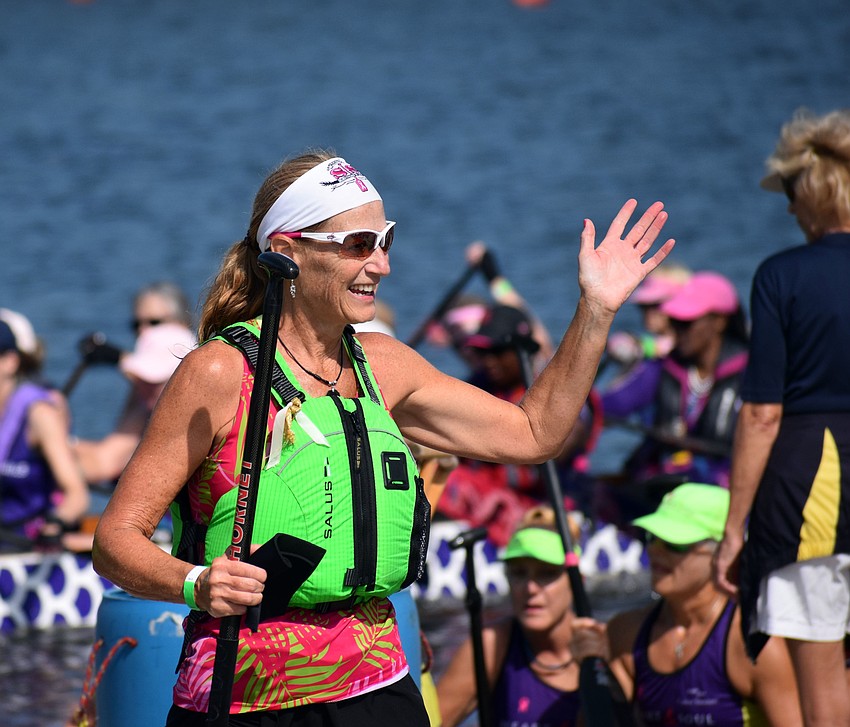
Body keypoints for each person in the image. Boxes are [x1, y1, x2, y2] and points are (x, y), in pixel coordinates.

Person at [91, 150, 673, 725]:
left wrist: (595, 311)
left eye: (384, 241)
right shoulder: (219, 373)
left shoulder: (384, 367)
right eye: (358, 244)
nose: (382, 264)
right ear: (285, 252)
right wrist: (196, 582)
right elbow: (115, 539)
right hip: (244, 697)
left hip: (378, 689)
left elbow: (535, 432)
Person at [713, 108, 850, 727]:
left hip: (812, 486)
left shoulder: (782, 275)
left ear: (817, 191)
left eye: (793, 192)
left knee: (822, 685)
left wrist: (735, 529)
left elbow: (763, 413)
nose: (790, 208)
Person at [571, 483, 802, 727]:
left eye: (675, 543)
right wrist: (592, 672)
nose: (656, 551)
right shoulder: (625, 632)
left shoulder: (753, 643)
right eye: (652, 537)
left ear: (723, 551)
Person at [436, 304, 599, 545]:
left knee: (455, 483)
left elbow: (561, 446)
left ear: (522, 351)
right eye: (483, 353)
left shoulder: (556, 390)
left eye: (498, 351)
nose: (488, 361)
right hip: (493, 495)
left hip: (545, 501)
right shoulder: (480, 384)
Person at [596, 271, 749, 525]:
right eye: (675, 322)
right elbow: (604, 408)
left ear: (719, 322)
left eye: (687, 323)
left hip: (726, 497)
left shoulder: (754, 371)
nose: (677, 331)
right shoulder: (661, 369)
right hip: (665, 491)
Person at [436, 506, 582, 727]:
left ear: (577, 581)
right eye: (519, 573)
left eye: (547, 573)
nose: (530, 588)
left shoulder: (607, 649)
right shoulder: (490, 646)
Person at [72, 285, 196, 486]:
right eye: (136, 324)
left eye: (154, 322)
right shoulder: (142, 393)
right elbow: (106, 461)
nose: (143, 331)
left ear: (182, 323)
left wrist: (116, 357)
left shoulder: (202, 390)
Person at [0, 311, 90, 551]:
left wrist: (55, 523)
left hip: (28, 543)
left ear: (10, 361)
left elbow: (77, 496)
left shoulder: (39, 415)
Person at [605, 261, 692, 369]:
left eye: (656, 305)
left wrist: (641, 348)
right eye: (644, 306)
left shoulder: (687, 348)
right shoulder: (649, 344)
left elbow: (666, 346)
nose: (648, 312)